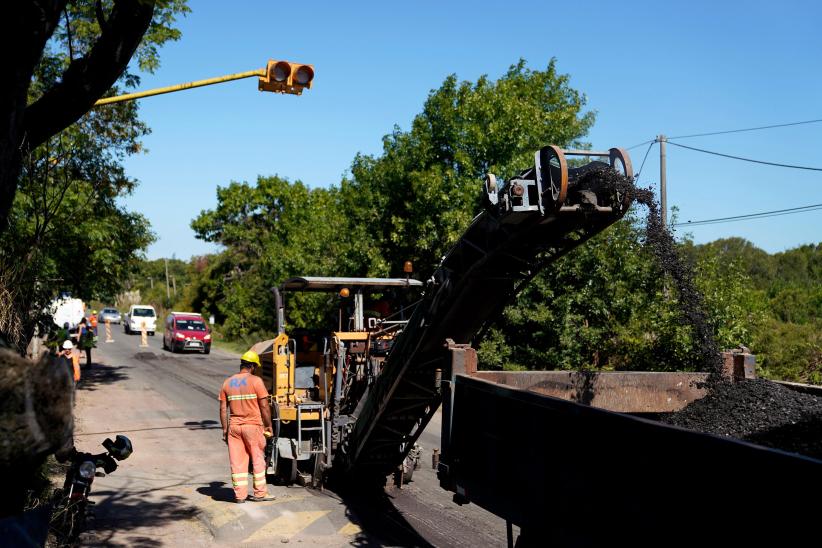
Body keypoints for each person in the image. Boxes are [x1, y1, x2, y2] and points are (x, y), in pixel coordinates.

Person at [218, 350, 275, 503]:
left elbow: (223, 409)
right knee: (257, 459)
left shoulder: (228, 382)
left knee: (237, 462)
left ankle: (240, 496)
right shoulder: (256, 381)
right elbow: (264, 406)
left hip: (234, 428)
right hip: (253, 426)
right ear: (253, 366)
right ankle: (260, 493)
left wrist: (225, 430)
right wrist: (268, 425)